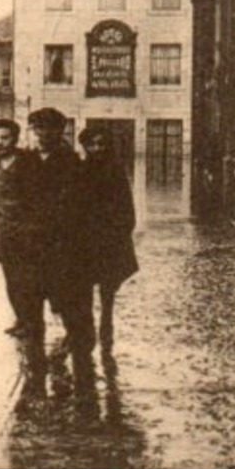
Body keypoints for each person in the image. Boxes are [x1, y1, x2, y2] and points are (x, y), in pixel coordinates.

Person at [24, 107, 97, 379]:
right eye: (38, 128)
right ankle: (35, 365)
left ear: (60, 131)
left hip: (64, 244)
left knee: (70, 299)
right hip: (33, 244)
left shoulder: (72, 163)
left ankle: (81, 357)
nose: (44, 134)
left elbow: (79, 204)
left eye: (50, 129)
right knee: (33, 299)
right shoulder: (26, 160)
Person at [76, 127, 139, 353]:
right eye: (91, 144)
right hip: (85, 236)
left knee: (108, 283)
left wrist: (122, 231)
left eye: (101, 144)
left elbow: (126, 205)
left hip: (111, 236)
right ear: (84, 147)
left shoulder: (116, 171)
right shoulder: (79, 170)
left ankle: (107, 319)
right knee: (83, 283)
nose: (97, 149)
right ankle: (88, 324)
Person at [0, 117, 31, 336]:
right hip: (4, 232)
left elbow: (38, 198)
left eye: (4, 138)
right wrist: (0, 222)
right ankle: (21, 319)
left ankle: (32, 322)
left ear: (15, 138)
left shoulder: (28, 162)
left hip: (29, 232)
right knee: (11, 279)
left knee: (29, 279)